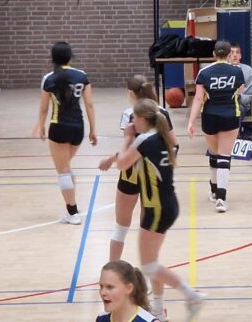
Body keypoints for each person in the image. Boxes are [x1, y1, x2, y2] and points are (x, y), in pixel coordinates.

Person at [114, 99, 204, 321]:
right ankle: (159, 310)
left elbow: (122, 164)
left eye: (135, 118)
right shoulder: (164, 137)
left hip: (156, 208)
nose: (132, 123)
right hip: (168, 204)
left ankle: (191, 295)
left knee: (149, 265)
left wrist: (128, 138)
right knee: (152, 261)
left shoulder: (144, 140)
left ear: (143, 119)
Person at [99, 75, 177, 266]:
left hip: (132, 171)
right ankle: (149, 270)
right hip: (153, 175)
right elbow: (174, 144)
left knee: (121, 226)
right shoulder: (161, 113)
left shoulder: (130, 114)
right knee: (147, 227)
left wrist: (113, 158)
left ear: (130, 93)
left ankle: (112, 271)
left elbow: (131, 150)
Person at [30, 42, 97, 225]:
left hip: (58, 127)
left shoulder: (48, 78)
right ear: (70, 56)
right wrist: (93, 129)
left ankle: (72, 213)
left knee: (63, 171)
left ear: (53, 58)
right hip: (78, 128)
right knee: (66, 167)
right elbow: (89, 104)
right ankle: (72, 205)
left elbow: (44, 108)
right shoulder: (82, 75)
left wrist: (41, 126)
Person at [187, 40, 245, 212]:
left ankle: (214, 190)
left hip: (209, 116)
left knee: (214, 153)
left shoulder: (204, 72)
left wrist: (191, 121)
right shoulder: (237, 71)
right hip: (230, 115)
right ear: (229, 54)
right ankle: (221, 198)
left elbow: (198, 98)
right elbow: (240, 91)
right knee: (224, 156)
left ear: (214, 54)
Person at [228, 42, 252, 117]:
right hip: (225, 104)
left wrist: (238, 96)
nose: (235, 55)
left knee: (236, 110)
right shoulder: (223, 69)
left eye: (237, 52)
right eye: (232, 52)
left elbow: (249, 96)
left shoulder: (248, 70)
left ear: (240, 56)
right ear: (228, 55)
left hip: (241, 105)